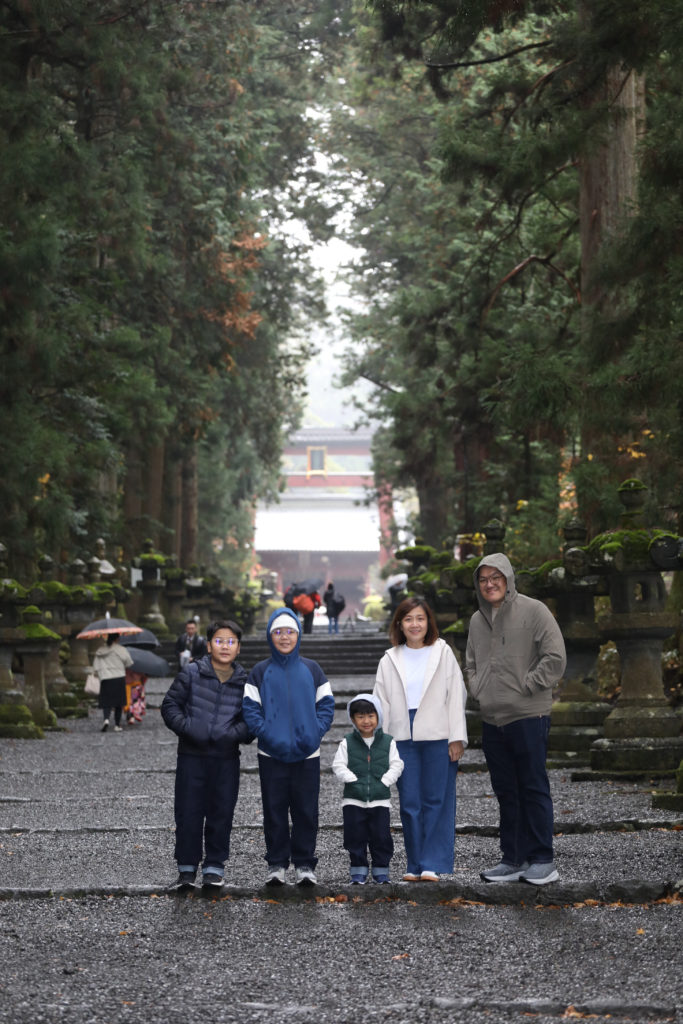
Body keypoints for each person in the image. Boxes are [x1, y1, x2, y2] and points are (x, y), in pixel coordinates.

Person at [466, 553, 566, 886]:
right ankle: (513, 859)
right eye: (483, 579)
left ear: (508, 579)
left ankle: (542, 859)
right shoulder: (477, 620)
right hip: (492, 719)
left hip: (528, 714)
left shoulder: (534, 610)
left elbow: (555, 657)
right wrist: (478, 689)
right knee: (506, 791)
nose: (489, 584)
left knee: (533, 787)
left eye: (496, 577)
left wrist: (528, 686)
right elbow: (470, 663)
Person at [373, 597, 468, 882]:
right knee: (410, 802)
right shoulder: (389, 658)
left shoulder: (443, 652)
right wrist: (382, 744)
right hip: (402, 735)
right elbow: (381, 703)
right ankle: (414, 864)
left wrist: (457, 737)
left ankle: (432, 863)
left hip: (438, 732)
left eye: (420, 618)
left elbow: (456, 696)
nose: (415, 624)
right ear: (400, 625)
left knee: (437, 798)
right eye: (408, 619)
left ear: (429, 623)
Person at [242, 607, 335, 887]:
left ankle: (305, 863)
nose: (285, 637)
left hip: (308, 753)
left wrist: (315, 733)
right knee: (274, 809)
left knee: (306, 810)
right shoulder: (260, 671)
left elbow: (326, 706)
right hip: (271, 754)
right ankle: (277, 863)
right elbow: (250, 709)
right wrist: (266, 735)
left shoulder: (312, 669)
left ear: (298, 634)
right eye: (279, 632)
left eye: (290, 631)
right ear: (271, 636)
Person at [161, 619, 252, 891]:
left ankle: (214, 867)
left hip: (226, 758)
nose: (225, 646)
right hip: (191, 755)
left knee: (221, 812)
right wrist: (189, 728)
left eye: (231, 641)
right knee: (188, 812)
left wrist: (234, 734)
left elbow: (252, 719)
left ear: (238, 648)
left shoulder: (245, 681)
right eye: (219, 640)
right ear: (209, 645)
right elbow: (169, 706)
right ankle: (186, 869)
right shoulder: (191, 672)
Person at [332, 693, 404, 884]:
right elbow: (338, 765)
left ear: (378, 716)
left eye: (371, 715)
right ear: (353, 719)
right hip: (353, 799)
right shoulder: (347, 742)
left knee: (381, 836)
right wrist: (352, 780)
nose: (366, 721)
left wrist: (385, 781)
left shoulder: (388, 742)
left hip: (380, 800)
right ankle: (358, 869)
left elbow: (397, 764)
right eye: (361, 716)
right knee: (355, 836)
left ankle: (381, 869)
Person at [93, 633, 134, 733]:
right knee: (118, 703)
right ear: (117, 639)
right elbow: (129, 662)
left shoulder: (100, 650)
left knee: (106, 701)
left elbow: (95, 665)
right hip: (118, 676)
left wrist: (98, 674)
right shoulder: (121, 649)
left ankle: (106, 719)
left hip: (105, 677)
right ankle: (117, 725)